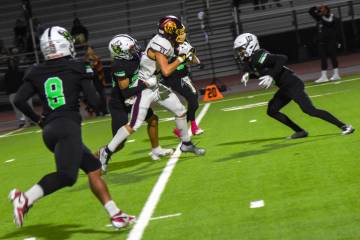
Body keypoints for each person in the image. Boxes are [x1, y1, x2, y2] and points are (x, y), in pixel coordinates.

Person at [10, 26, 135, 229]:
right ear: (65, 43)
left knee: (93, 168)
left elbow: (20, 100)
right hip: (68, 127)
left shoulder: (36, 71)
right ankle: (25, 198)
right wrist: (93, 78)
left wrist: (38, 120)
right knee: (67, 176)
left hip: (50, 130)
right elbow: (96, 102)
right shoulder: (77, 66)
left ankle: (116, 214)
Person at [98, 15, 205, 164]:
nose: (181, 32)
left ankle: (186, 144)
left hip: (156, 84)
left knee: (180, 111)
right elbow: (166, 71)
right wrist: (181, 58)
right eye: (178, 30)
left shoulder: (169, 42)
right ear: (170, 31)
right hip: (145, 88)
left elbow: (192, 60)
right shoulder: (160, 44)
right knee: (134, 125)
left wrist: (189, 55)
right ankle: (106, 152)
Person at [233, 33, 354, 138]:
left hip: (292, 84)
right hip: (284, 87)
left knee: (309, 110)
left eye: (241, 50)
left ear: (250, 45)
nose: (240, 53)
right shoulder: (252, 60)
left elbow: (282, 58)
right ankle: (300, 131)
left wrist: (270, 76)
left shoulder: (259, 56)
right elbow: (259, 71)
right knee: (272, 110)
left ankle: (344, 126)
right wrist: (249, 75)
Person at [99, 34, 174, 172]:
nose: (135, 49)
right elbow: (126, 92)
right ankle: (98, 156)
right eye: (131, 48)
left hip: (135, 97)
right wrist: (146, 84)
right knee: (120, 143)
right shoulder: (118, 65)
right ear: (120, 52)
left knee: (153, 119)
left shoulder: (135, 56)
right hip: (120, 103)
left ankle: (156, 149)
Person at [162, 41, 204, 137]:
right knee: (193, 100)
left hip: (184, 78)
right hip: (175, 80)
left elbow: (194, 60)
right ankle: (193, 128)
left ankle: (180, 129)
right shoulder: (169, 55)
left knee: (194, 102)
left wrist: (192, 57)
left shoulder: (180, 49)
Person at [309, 4, 341, 83]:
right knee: (323, 59)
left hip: (331, 41)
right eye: (320, 10)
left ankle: (336, 74)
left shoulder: (334, 19)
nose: (320, 11)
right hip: (322, 42)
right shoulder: (319, 18)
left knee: (333, 57)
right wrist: (316, 7)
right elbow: (311, 11)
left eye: (322, 9)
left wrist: (339, 41)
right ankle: (324, 76)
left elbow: (338, 31)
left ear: (327, 10)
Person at [4, 55, 33, 128]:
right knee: (17, 109)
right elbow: (6, 85)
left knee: (28, 106)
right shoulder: (7, 74)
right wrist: (9, 93)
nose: (12, 63)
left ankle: (30, 120)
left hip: (22, 92)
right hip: (13, 93)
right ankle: (21, 122)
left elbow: (26, 82)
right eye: (10, 62)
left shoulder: (21, 72)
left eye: (13, 62)